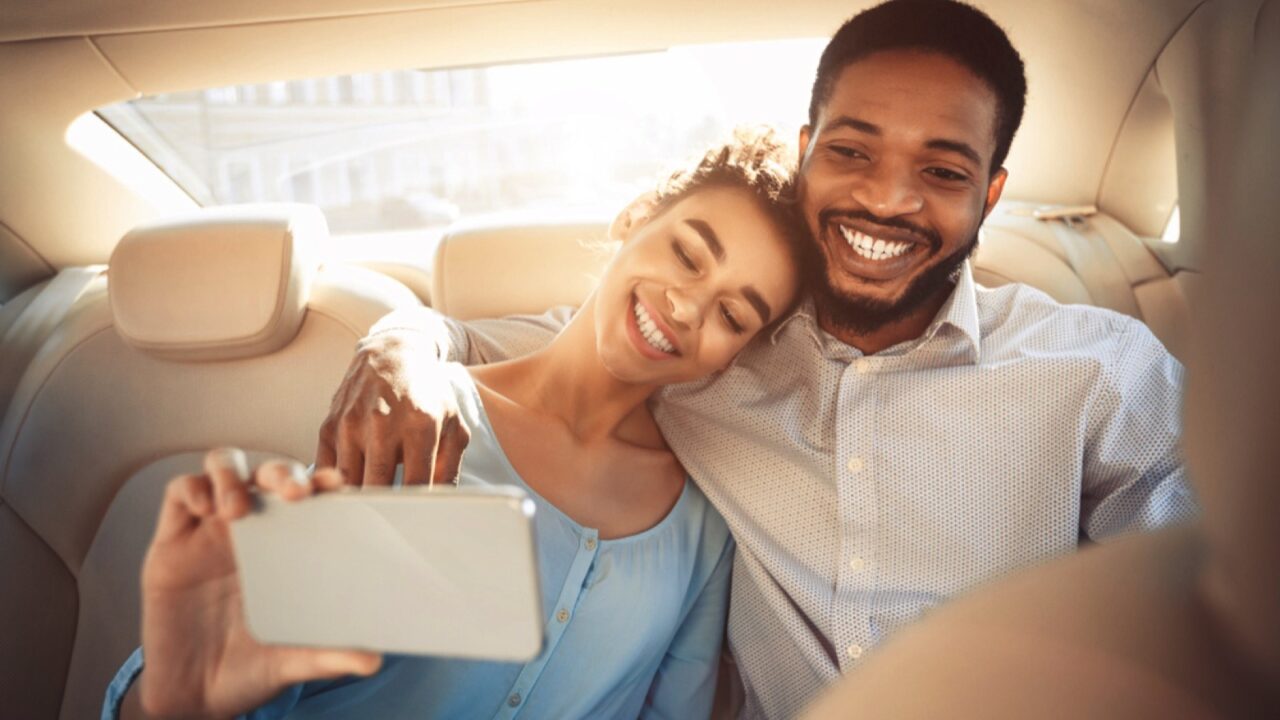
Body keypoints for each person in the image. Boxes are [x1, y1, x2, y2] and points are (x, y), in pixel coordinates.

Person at [315, 1, 1197, 717]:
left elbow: (1211, 612)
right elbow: (552, 356)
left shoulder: (1098, 372)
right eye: (852, 151)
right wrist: (402, 341)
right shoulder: (714, 353)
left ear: (991, 194)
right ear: (808, 148)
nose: (887, 198)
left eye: (942, 171)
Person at [103, 128, 807, 719]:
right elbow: (224, 662)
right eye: (687, 253)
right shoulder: (414, 419)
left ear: (737, 355)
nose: (687, 308)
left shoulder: (701, 527)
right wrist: (171, 704)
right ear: (634, 217)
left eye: (734, 315)